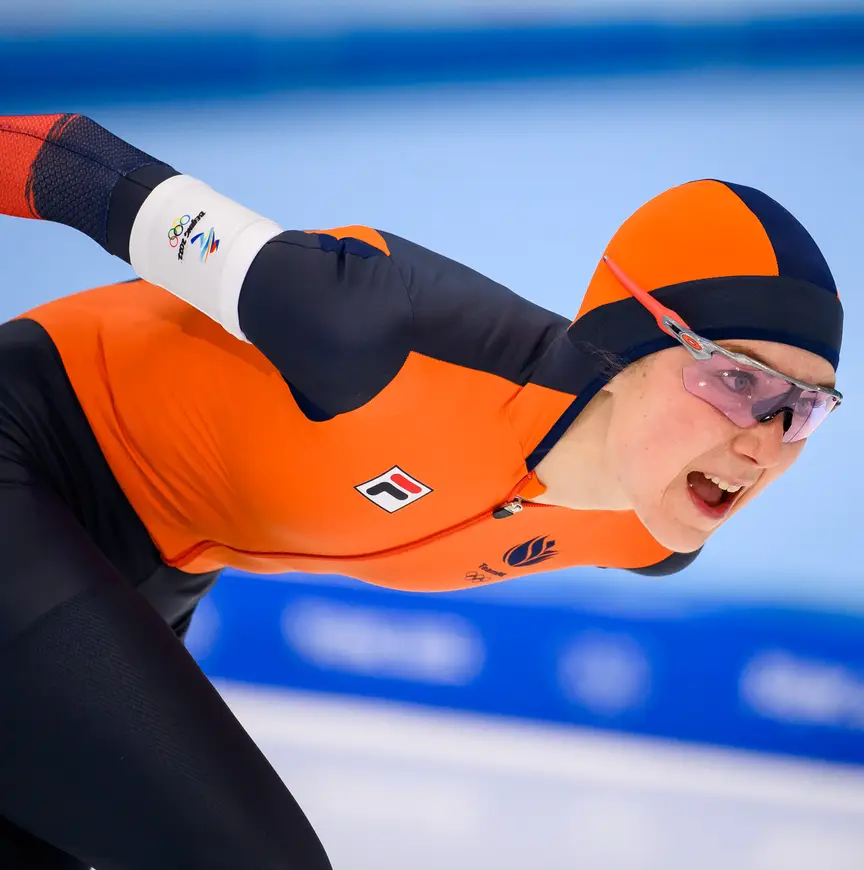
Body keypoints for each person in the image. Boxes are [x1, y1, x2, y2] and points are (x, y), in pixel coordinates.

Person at [0, 113, 843, 869]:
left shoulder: (647, 536)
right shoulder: (376, 328)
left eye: (802, 409)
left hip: (145, 566)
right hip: (28, 446)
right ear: (627, 344)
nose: (764, 441)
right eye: (737, 378)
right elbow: (82, 169)